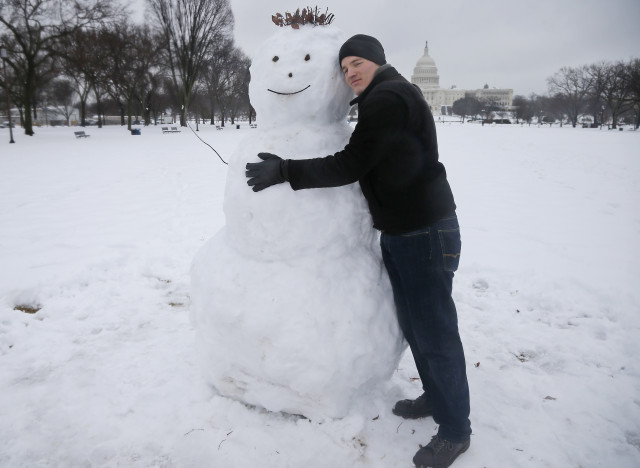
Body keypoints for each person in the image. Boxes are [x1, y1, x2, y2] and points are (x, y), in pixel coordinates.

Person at [245, 34, 471, 468]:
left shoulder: (388, 98)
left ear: (377, 61)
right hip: (405, 232)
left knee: (436, 332)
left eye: (357, 63)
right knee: (416, 325)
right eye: (344, 66)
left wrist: (285, 170)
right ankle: (436, 396)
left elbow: (351, 163)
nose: (350, 72)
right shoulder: (386, 96)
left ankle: (456, 430)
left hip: (424, 234)